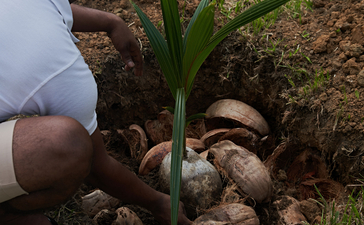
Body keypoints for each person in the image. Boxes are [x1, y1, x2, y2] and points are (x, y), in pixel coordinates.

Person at [0, 0, 191, 224]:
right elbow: (96, 167)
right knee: (68, 145)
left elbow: (56, 8)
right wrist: (157, 202)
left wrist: (111, 21)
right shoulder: (65, 75)